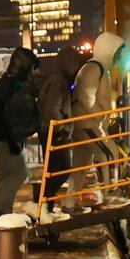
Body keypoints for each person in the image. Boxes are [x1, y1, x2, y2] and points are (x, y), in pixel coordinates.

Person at [0, 46, 40, 212]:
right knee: (19, 173)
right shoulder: (10, 83)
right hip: (3, 139)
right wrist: (12, 141)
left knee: (6, 176)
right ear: (23, 66)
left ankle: (4, 213)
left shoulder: (5, 80)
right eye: (31, 68)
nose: (32, 73)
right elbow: (2, 114)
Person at [35, 45, 86, 213]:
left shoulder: (56, 78)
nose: (77, 67)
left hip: (50, 130)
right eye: (75, 63)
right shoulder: (58, 81)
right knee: (61, 170)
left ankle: (44, 206)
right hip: (55, 132)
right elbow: (52, 108)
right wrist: (61, 130)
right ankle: (41, 202)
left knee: (53, 171)